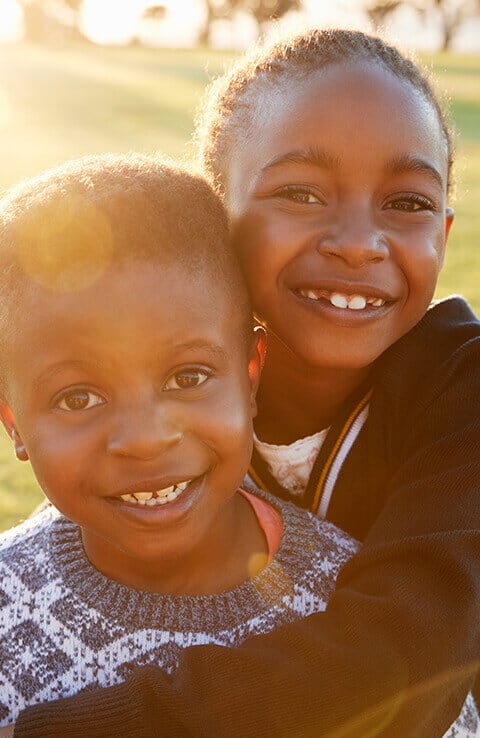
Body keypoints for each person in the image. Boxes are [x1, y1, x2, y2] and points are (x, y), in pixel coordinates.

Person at [10, 28, 480, 738]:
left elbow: (405, 660)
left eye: (407, 203)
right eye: (300, 191)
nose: (358, 241)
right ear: (216, 218)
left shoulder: (464, 389)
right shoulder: (177, 393)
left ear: (444, 232)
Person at [0, 153, 367, 728]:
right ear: (14, 421)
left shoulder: (351, 602)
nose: (145, 440)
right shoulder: (7, 613)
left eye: (187, 377)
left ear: (250, 376)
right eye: (78, 398)